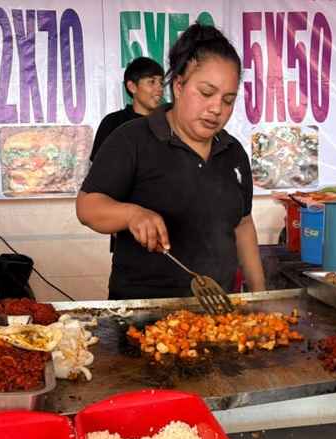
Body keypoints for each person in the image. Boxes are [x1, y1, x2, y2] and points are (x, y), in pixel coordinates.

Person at [76, 23, 266, 300]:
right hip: (142, 315)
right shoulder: (133, 139)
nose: (217, 108)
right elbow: (87, 207)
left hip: (219, 312)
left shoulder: (233, 151)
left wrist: (260, 298)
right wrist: (132, 214)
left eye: (228, 100)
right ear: (178, 85)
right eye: (206, 93)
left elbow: (243, 224)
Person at [89, 57, 164, 161]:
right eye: (151, 82)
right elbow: (99, 170)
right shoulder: (112, 123)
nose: (159, 88)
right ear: (132, 87)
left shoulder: (167, 124)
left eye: (161, 83)